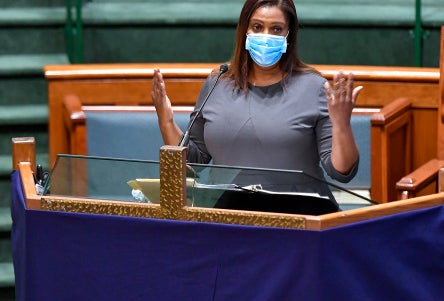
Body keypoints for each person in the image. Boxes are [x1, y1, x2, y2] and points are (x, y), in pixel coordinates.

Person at [151, 0, 362, 209]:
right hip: (228, 216)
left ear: (289, 35)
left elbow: (341, 172)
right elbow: (192, 163)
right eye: (257, 27)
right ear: (245, 30)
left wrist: (342, 125)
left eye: (276, 29)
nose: (265, 36)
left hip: (301, 216)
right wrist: (165, 120)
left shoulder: (314, 87)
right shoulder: (217, 82)